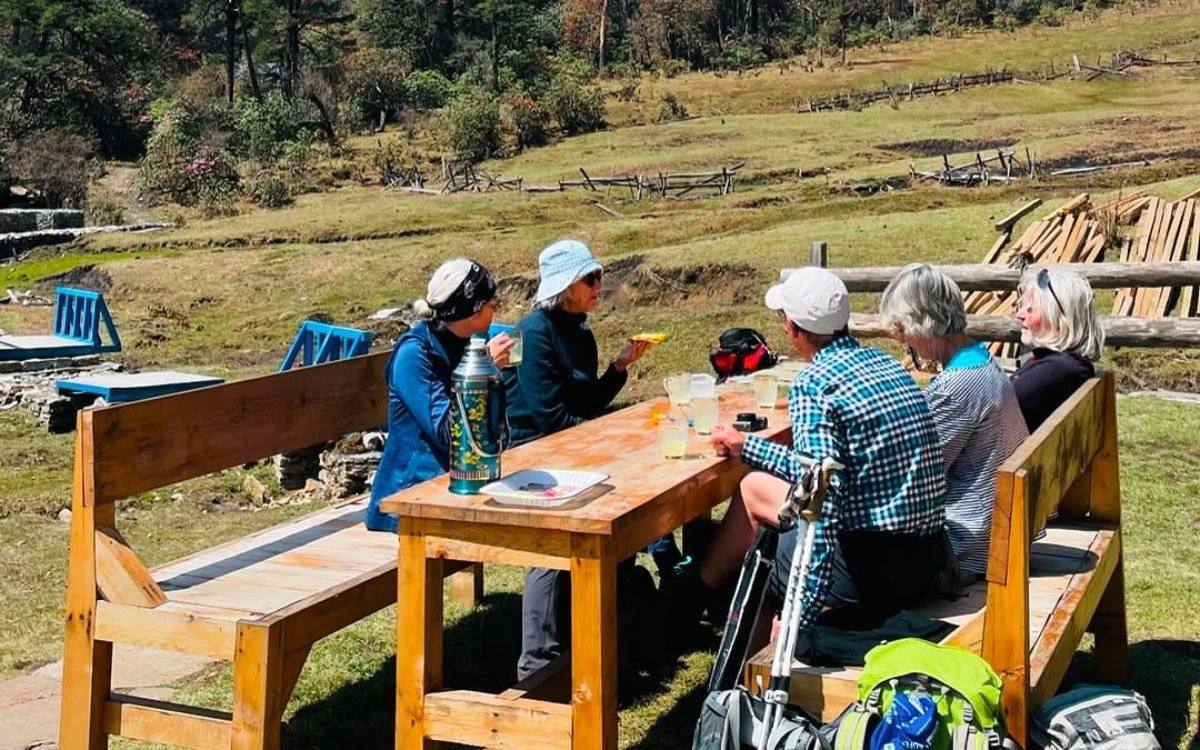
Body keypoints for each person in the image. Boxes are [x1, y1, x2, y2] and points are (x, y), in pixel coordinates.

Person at [681, 266, 947, 638]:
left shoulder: (814, 385)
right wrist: (749, 447)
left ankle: (699, 606)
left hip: (868, 571)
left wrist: (800, 617)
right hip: (925, 557)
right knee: (756, 486)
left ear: (791, 327)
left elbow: (820, 501)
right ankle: (699, 598)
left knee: (761, 551)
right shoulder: (887, 364)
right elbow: (825, 470)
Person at [504, 239, 653, 680]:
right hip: (533, 455)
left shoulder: (580, 331)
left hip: (572, 447)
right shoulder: (533, 332)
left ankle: (612, 629)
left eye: (599, 277)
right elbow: (549, 417)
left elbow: (585, 403)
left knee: (626, 509)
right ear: (566, 285)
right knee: (554, 547)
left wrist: (619, 369)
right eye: (590, 278)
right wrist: (605, 440)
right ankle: (538, 664)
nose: (598, 286)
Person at [879, 263, 1028, 581]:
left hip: (968, 544)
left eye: (901, 330)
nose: (903, 341)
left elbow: (916, 474)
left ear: (921, 323)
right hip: (999, 523)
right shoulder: (982, 359)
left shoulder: (956, 386)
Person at [364, 259, 514, 533]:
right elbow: (448, 432)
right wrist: (484, 368)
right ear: (473, 309)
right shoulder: (414, 355)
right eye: (493, 302)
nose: (497, 308)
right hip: (408, 500)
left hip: (459, 484)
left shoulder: (464, 343)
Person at [1011, 267, 1104, 431]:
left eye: (1031, 309)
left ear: (1059, 320)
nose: (1019, 314)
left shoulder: (1057, 370)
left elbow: (994, 410)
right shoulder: (1063, 365)